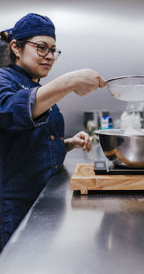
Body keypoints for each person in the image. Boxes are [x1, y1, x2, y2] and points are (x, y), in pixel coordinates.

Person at [0, 13, 106, 251]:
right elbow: (11, 112)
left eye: (53, 50)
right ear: (16, 47)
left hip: (42, 201)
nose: (49, 56)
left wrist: (67, 143)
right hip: (14, 206)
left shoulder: (36, 87)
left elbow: (26, 140)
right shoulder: (4, 80)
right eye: (41, 48)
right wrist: (69, 81)